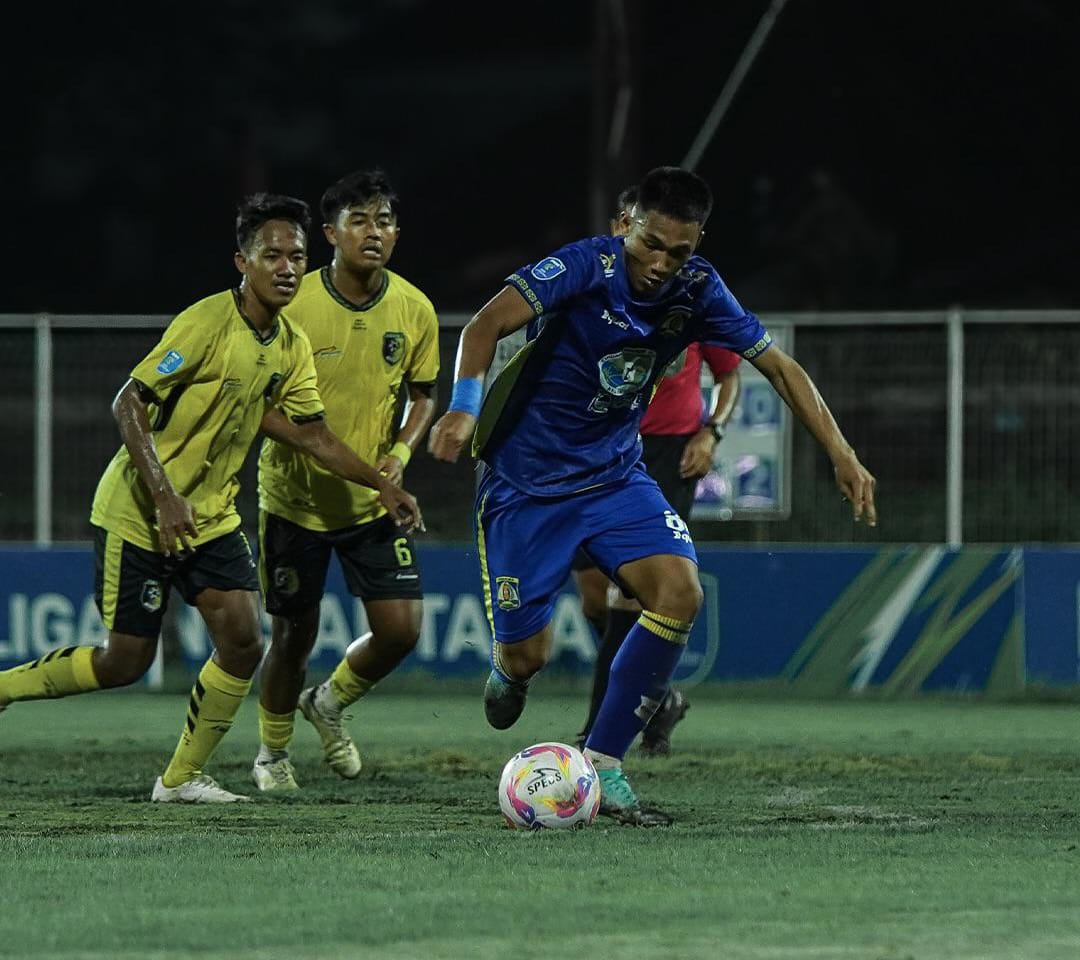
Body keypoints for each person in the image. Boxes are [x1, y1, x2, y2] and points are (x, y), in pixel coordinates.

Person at [429, 166, 875, 826]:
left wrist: (841, 451)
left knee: (680, 593)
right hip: (527, 486)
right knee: (530, 654)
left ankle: (605, 761)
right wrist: (463, 409)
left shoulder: (699, 290)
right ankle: (512, 670)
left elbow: (777, 366)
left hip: (615, 477)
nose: (662, 263)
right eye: (651, 244)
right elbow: (484, 326)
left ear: (698, 245)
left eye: (680, 251)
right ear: (625, 226)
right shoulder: (585, 265)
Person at [0, 193, 422, 804]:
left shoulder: (290, 344)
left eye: (296, 257)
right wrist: (166, 495)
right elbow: (128, 401)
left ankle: (179, 779)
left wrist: (382, 482)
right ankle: (6, 689)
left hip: (212, 517)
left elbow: (312, 434)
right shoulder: (204, 324)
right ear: (242, 263)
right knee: (125, 663)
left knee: (245, 640)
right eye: (271, 255)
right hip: (140, 512)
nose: (286, 267)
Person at [252, 169, 439, 793]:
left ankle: (328, 702)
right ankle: (272, 754)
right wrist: (310, 442)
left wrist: (402, 454)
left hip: (371, 502)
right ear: (330, 234)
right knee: (292, 634)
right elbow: (258, 402)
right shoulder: (291, 301)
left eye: (384, 221)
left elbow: (423, 396)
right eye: (359, 221)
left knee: (401, 629)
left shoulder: (413, 308)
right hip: (294, 502)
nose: (374, 232)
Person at [573, 187, 743, 757]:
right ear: (624, 225)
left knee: (629, 594)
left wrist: (710, 431)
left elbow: (730, 376)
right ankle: (659, 696)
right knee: (595, 597)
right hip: (601, 450)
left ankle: (598, 736)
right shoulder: (595, 287)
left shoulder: (693, 297)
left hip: (669, 452)